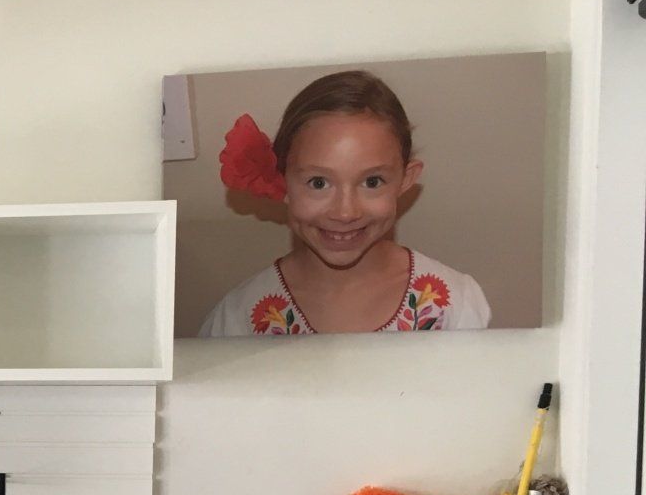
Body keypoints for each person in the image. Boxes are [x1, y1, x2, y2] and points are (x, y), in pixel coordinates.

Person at [197, 69, 492, 336]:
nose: (345, 212)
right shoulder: (237, 321)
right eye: (319, 183)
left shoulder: (457, 306)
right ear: (282, 180)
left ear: (405, 179)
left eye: (372, 182)